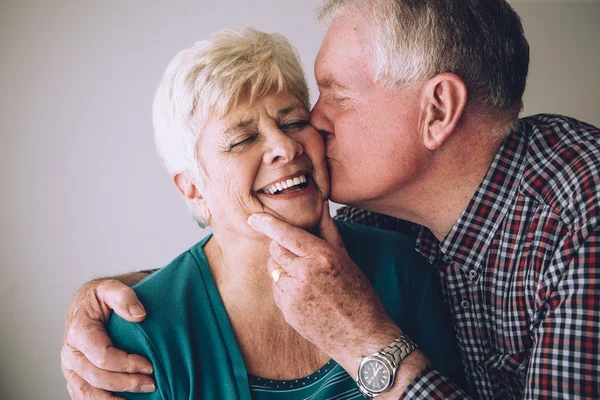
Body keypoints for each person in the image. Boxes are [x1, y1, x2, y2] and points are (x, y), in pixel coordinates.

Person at [61, 0, 600, 398]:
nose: (310, 128)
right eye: (244, 137)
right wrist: (117, 299)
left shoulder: (582, 218)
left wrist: (364, 339)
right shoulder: (386, 215)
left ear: (436, 111)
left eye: (333, 97)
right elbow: (234, 255)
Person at [61, 26, 464, 400]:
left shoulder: (402, 263)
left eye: (293, 121)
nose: (285, 148)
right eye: (243, 139)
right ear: (194, 189)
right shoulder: (141, 334)